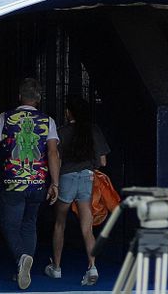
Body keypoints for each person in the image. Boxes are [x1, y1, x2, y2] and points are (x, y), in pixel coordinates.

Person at [0, 78, 61, 291]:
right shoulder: (48, 121)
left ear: (19, 96)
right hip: (38, 183)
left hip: (13, 182)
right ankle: (23, 269)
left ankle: (21, 258)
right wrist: (55, 183)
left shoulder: (6, 118)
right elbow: (53, 153)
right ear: (39, 99)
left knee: (10, 225)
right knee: (29, 223)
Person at [46, 95, 107, 286]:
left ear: (68, 112)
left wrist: (54, 182)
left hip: (66, 178)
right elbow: (103, 161)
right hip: (87, 178)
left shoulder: (62, 132)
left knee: (59, 223)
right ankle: (92, 267)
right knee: (87, 227)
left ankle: (56, 267)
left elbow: (55, 157)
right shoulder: (94, 130)